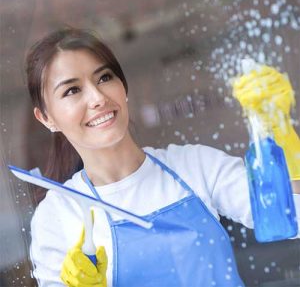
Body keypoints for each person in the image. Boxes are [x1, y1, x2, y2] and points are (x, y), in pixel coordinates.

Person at [26, 27, 300, 287]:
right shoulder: (59, 214)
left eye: (104, 78)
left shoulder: (195, 166)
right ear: (46, 117)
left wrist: (276, 128)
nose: (97, 97)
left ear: (124, 87)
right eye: (72, 90)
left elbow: (292, 217)